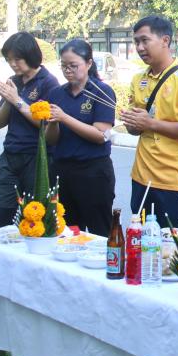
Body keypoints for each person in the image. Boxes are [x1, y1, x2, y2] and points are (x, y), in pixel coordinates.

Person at [119, 15, 178, 230]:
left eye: (145, 40)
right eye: (136, 42)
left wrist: (150, 123)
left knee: (173, 244)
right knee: (139, 239)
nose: (140, 47)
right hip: (141, 177)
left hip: (174, 182)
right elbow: (135, 130)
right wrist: (131, 122)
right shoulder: (138, 79)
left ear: (165, 40)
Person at [0, 32, 60, 241]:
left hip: (36, 159)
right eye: (8, 59)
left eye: (17, 59)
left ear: (30, 55)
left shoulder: (48, 82)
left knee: (33, 218)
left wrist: (17, 100)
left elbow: (46, 124)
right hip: (10, 156)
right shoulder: (13, 81)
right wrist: (8, 99)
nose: (13, 64)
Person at [45, 39, 117, 236]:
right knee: (67, 232)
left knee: (99, 232)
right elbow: (51, 140)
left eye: (73, 65)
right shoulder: (56, 93)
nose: (68, 70)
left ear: (89, 63)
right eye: (64, 66)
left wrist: (64, 118)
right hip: (62, 170)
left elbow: (101, 135)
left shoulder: (102, 92)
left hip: (93, 172)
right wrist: (54, 122)